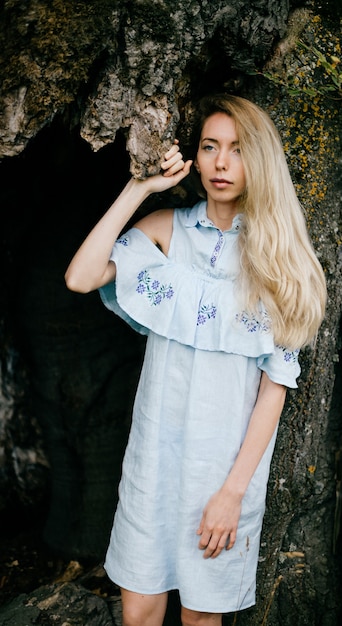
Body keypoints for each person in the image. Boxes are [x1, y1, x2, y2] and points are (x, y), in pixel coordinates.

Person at [65, 94, 327, 626]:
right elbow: (81, 276)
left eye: (237, 149)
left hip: (223, 474)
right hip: (152, 462)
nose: (222, 162)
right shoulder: (167, 229)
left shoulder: (280, 259)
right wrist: (139, 187)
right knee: (138, 613)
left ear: (260, 161)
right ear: (196, 157)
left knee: (202, 619)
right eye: (210, 147)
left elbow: (274, 390)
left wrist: (231, 494)